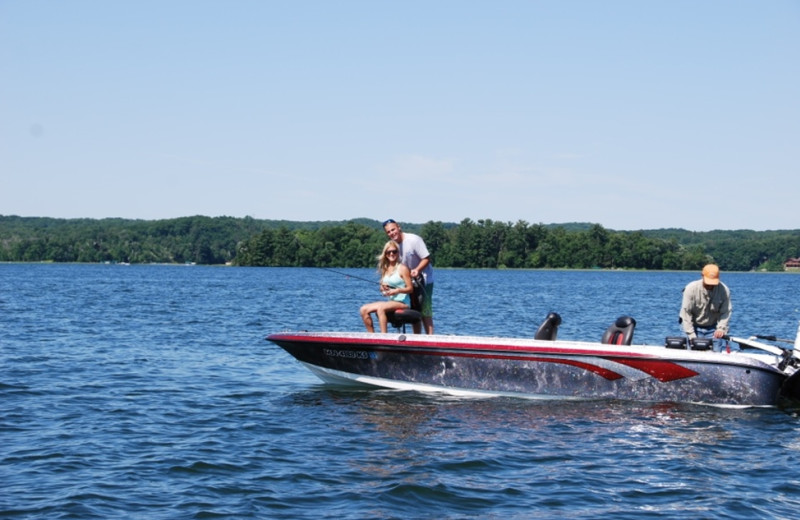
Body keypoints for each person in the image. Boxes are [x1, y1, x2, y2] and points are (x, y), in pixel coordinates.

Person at [383, 219, 435, 334]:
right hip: (409, 281)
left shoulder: (414, 240)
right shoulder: (394, 246)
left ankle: (430, 338)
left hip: (424, 279)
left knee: (425, 311)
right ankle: (416, 338)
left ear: (399, 227)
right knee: (413, 311)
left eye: (393, 229)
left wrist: (417, 269)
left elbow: (426, 258)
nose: (392, 233)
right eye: (388, 232)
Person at [359, 241, 413, 333]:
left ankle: (383, 336)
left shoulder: (402, 268)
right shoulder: (385, 269)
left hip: (403, 302)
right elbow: (382, 287)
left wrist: (397, 290)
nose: (391, 254)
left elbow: (410, 289)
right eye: (389, 252)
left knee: (381, 308)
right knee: (363, 309)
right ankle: (372, 336)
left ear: (398, 253)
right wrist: (383, 288)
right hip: (391, 302)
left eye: (394, 251)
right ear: (386, 254)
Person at [679, 263, 734, 352]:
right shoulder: (690, 289)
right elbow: (686, 313)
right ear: (702, 276)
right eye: (708, 282)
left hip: (713, 328)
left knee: (716, 353)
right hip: (691, 326)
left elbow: (726, 312)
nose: (710, 285)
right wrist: (691, 335)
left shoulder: (724, 290)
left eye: (713, 283)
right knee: (689, 352)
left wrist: (721, 328)